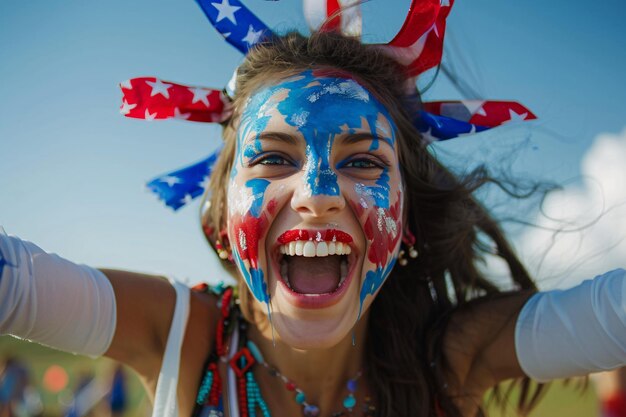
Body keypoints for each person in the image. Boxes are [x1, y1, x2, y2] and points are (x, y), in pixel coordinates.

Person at [1, 2, 625, 417]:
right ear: (222, 214)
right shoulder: (183, 339)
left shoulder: (448, 357)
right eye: (273, 159)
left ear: (405, 221)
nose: (318, 192)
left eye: (363, 161)